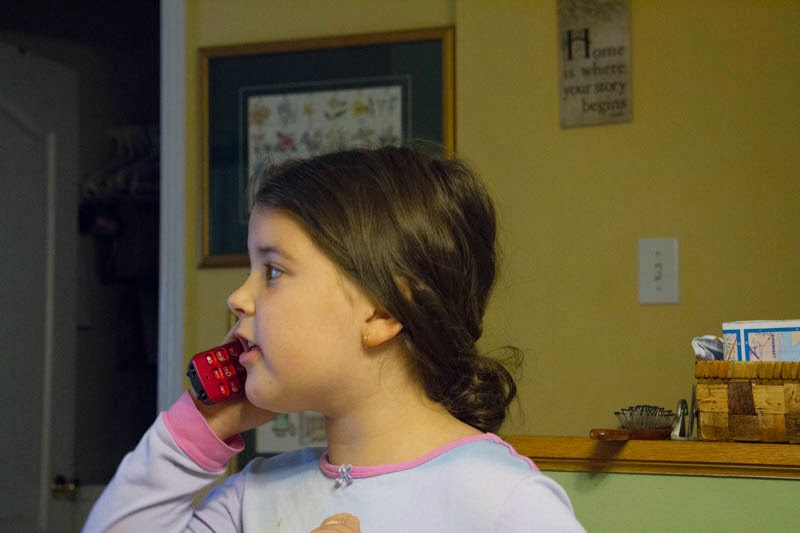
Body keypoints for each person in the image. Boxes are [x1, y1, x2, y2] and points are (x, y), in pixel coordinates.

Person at [83, 146, 585, 532]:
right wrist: (198, 430)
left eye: (272, 271)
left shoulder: (503, 502)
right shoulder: (253, 497)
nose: (237, 297)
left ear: (383, 311)